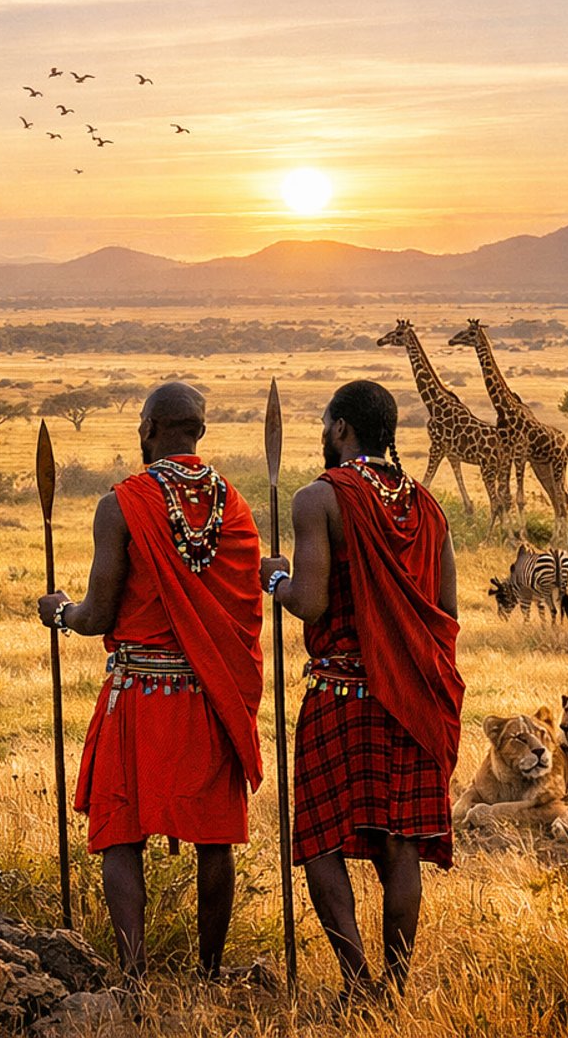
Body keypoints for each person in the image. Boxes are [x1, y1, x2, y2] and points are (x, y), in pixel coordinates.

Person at [37, 382, 264, 977]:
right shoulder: (236, 506)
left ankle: (134, 979)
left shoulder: (121, 504)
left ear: (148, 429)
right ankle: (209, 973)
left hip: (139, 694)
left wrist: (59, 612)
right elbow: (243, 613)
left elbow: (97, 615)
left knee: (121, 834)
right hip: (210, 696)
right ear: (200, 431)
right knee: (214, 838)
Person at [260, 380, 462, 1002]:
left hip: (341, 698)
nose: (325, 433)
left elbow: (311, 602)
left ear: (342, 428)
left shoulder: (319, 497)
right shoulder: (428, 507)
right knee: (400, 847)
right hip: (415, 700)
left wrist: (277, 580)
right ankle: (393, 990)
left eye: (327, 424)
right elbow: (447, 613)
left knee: (321, 840)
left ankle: (356, 984)